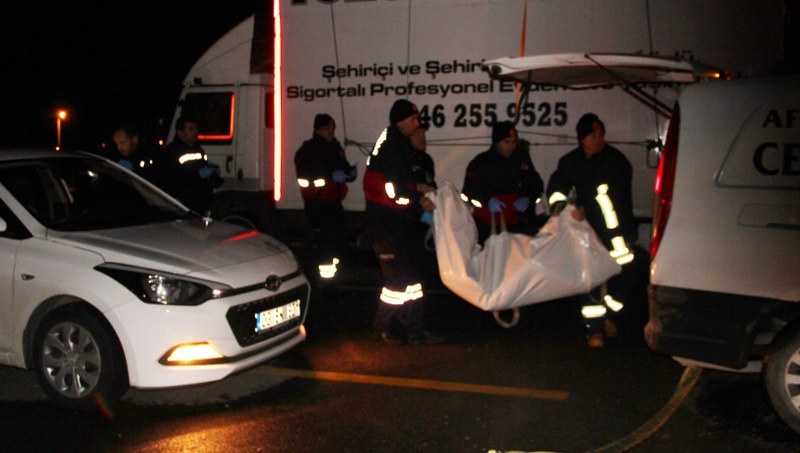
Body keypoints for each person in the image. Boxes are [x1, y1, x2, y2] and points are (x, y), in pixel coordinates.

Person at [546, 113, 642, 348]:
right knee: (591, 281)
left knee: (625, 274)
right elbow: (558, 187)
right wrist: (561, 206)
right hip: (587, 234)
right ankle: (595, 330)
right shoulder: (570, 162)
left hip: (616, 233)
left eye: (601, 134)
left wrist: (585, 208)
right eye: (593, 135)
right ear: (581, 139)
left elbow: (617, 197)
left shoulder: (616, 161)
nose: (599, 139)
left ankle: (612, 315)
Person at [363, 99, 443, 345]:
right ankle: (382, 326)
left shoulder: (398, 145)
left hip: (399, 224)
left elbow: (402, 183)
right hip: (385, 226)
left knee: (413, 282)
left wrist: (419, 187)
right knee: (397, 284)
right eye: (413, 119)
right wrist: (419, 200)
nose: (416, 124)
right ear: (400, 120)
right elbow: (392, 191)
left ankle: (415, 331)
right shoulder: (391, 148)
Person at [294, 113, 356, 280]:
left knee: (340, 241)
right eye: (332, 127)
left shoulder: (334, 147)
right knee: (325, 246)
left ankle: (331, 279)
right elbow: (308, 173)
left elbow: (342, 167)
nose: (333, 130)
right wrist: (330, 176)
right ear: (324, 127)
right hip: (318, 204)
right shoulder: (308, 149)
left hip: (334, 203)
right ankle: (322, 283)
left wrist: (349, 173)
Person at [462, 121, 545, 244]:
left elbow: (536, 184)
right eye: (506, 142)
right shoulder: (481, 162)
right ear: (496, 142)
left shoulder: (522, 159)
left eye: (514, 142)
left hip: (519, 224)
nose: (511, 146)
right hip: (489, 227)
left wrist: (529, 199)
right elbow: (468, 191)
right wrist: (487, 200)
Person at [157, 115, 222, 213]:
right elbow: (171, 179)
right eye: (191, 129)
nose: (195, 132)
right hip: (183, 205)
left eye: (196, 128)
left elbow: (203, 166)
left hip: (201, 203)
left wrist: (214, 173)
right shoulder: (171, 152)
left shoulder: (198, 149)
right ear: (180, 132)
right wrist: (197, 175)